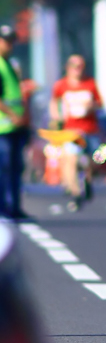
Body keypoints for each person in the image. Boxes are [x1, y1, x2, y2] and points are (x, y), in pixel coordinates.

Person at [49, 55, 103, 209]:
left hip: (90, 128)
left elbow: (100, 103)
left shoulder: (90, 83)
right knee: (71, 159)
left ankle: (87, 180)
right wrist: (56, 117)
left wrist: (91, 106)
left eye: (81, 66)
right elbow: (54, 101)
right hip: (71, 129)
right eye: (75, 66)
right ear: (68, 68)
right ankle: (75, 193)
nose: (78, 69)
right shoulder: (61, 85)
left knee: (91, 161)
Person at [0, 24, 32, 221]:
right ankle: (4, 208)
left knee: (14, 168)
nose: (10, 45)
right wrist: (13, 115)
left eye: (12, 41)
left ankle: (13, 208)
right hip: (3, 127)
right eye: (6, 41)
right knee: (4, 169)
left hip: (14, 127)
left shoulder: (9, 64)